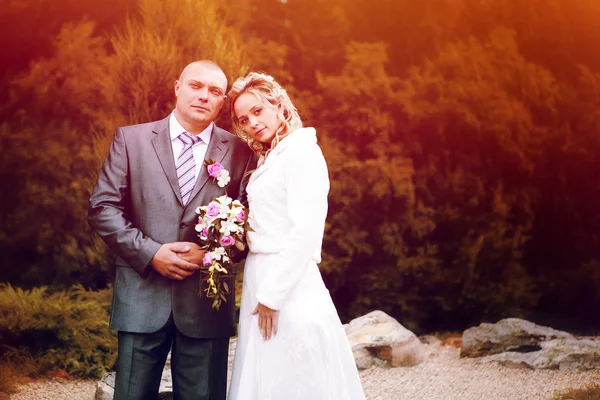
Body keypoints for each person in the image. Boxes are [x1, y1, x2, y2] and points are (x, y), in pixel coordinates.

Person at [88, 60, 256, 400]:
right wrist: (151, 253)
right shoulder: (131, 140)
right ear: (177, 87)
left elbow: (252, 224)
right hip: (141, 298)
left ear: (222, 101)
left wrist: (210, 253)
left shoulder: (241, 152)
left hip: (206, 302)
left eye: (215, 92)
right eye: (196, 86)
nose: (204, 96)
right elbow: (103, 208)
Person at [227, 72, 366, 400]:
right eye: (243, 119)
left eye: (258, 111)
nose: (252, 123)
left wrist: (272, 296)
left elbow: (305, 230)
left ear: (278, 105)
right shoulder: (270, 157)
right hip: (260, 274)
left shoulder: (302, 152)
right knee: (264, 371)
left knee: (295, 372)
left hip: (286, 280)